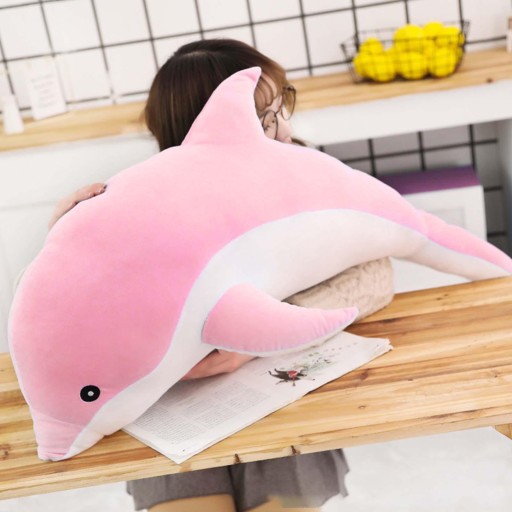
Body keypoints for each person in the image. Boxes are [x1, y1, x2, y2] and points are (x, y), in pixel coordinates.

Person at [49, 39, 394, 512]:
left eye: (282, 107)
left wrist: (260, 337)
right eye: (266, 120)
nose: (287, 130)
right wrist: (63, 245)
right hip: (173, 408)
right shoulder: (139, 206)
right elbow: (78, 333)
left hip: (280, 390)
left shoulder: (307, 174)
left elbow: (377, 274)